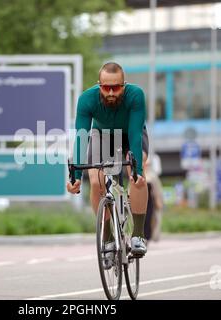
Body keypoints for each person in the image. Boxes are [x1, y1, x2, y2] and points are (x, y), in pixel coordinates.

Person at [66, 62, 149, 260]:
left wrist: (136, 170)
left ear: (124, 84)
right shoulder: (87, 99)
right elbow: (81, 136)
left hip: (131, 136)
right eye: (106, 87)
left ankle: (138, 235)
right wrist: (75, 176)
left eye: (116, 87)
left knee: (137, 176)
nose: (111, 92)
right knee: (96, 181)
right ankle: (108, 237)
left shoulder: (136, 95)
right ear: (99, 84)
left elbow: (136, 134)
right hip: (101, 136)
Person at [144, 155, 164, 242]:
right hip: (140, 202)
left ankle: (148, 237)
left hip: (150, 202)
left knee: (150, 219)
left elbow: (157, 190)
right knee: (142, 220)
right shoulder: (136, 174)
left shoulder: (152, 176)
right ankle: (141, 236)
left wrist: (158, 201)